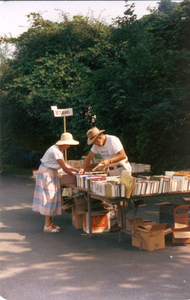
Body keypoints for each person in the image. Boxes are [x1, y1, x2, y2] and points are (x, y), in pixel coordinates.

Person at [79, 127, 131, 231]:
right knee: (115, 196)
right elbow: (89, 157)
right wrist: (82, 168)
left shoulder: (113, 140)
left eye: (95, 142)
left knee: (122, 196)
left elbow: (122, 155)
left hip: (122, 168)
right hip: (112, 171)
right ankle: (120, 221)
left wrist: (108, 161)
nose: (95, 144)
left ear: (100, 137)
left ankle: (121, 222)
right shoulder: (96, 144)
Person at [33, 132, 79, 233]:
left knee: (53, 197)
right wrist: (75, 175)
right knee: (49, 198)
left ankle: (50, 223)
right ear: (64, 143)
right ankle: (47, 225)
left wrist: (76, 170)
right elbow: (65, 168)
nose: (69, 146)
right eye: (68, 144)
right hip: (47, 174)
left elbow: (65, 165)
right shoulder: (56, 151)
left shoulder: (58, 149)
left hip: (50, 172)